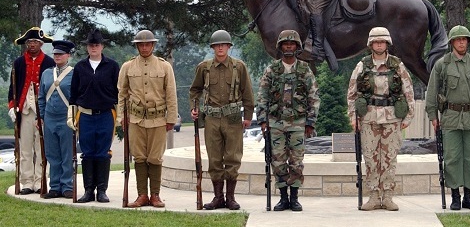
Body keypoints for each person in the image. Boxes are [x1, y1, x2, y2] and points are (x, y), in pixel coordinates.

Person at [425, 25, 470, 211]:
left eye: (464, 39)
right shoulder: (442, 64)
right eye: (458, 39)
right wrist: (433, 115)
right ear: (452, 43)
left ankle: (469, 196)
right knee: (452, 157)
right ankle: (455, 196)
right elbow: (432, 91)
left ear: (468, 42)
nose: (461, 42)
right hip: (451, 116)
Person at [347, 27, 415, 211]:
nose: (379, 44)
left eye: (382, 41)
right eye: (376, 41)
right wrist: (353, 117)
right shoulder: (362, 65)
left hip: (392, 118)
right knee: (370, 158)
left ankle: (388, 197)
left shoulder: (396, 65)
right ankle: (373, 196)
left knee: (389, 158)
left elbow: (408, 91)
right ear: (371, 44)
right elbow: (352, 93)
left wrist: (409, 116)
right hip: (368, 117)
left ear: (387, 44)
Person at [189, 30, 255, 211]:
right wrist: (194, 108)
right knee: (215, 159)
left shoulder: (239, 67)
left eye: (223, 45)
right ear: (213, 48)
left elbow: (247, 92)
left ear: (228, 47)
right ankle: (218, 197)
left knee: (233, 158)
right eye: (217, 45)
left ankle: (231, 198)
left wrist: (248, 116)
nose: (220, 48)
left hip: (233, 118)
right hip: (212, 118)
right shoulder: (204, 67)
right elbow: (195, 90)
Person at [257, 30, 320, 212]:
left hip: (298, 123)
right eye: (286, 44)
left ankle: (294, 198)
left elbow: (314, 97)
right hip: (276, 123)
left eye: (292, 44)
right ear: (280, 47)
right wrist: (263, 121)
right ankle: (283, 198)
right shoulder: (272, 70)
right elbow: (262, 96)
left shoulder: (304, 69)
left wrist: (310, 122)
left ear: (297, 47)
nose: (289, 47)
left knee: (296, 162)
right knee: (277, 161)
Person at [117, 30, 178, 208]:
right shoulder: (127, 67)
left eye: (147, 44)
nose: (144, 47)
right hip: (135, 119)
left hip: (158, 119)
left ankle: (155, 195)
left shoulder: (164, 66)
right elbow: (121, 94)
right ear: (137, 46)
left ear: (153, 45)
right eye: (141, 45)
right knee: (139, 157)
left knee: (155, 158)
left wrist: (171, 118)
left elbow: (171, 94)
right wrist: (121, 116)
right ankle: (142, 195)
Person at [69, 29, 120, 203]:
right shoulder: (80, 67)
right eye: (91, 45)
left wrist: (120, 115)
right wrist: (71, 114)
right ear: (87, 47)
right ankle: (88, 190)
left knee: (103, 152)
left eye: (96, 45)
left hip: (106, 114)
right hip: (85, 115)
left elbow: (119, 92)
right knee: (88, 153)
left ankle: (102, 191)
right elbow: (73, 93)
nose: (93, 48)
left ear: (102, 46)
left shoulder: (112, 66)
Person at [8, 27, 56, 195]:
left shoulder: (50, 63)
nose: (32, 44)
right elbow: (12, 87)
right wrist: (13, 106)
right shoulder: (18, 63)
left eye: (35, 42)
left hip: (43, 110)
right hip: (25, 110)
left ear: (41, 44)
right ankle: (27, 181)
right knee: (25, 148)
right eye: (29, 42)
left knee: (41, 147)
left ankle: (40, 180)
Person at [38, 40, 76, 199]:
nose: (57, 56)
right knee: (52, 153)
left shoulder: (74, 73)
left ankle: (67, 186)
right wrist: (41, 116)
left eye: (60, 54)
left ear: (68, 55)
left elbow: (76, 97)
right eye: (55, 54)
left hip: (66, 118)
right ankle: (54, 186)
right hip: (49, 118)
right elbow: (41, 97)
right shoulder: (47, 73)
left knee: (67, 154)